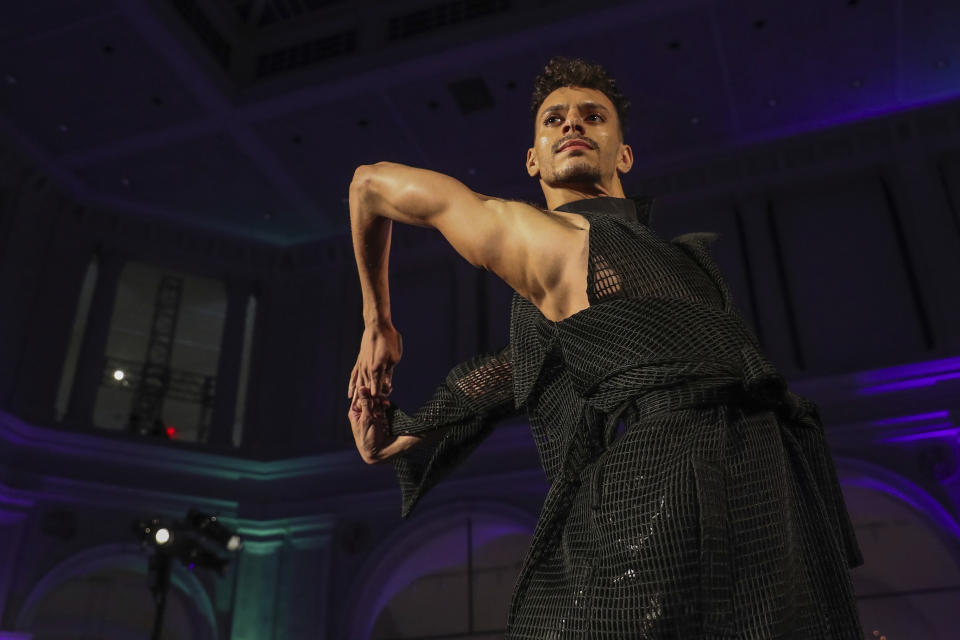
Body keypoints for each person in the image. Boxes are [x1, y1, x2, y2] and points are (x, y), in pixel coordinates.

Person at [347, 57, 865, 638]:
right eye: (554, 120)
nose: (573, 125)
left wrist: (402, 438)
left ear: (623, 154)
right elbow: (369, 184)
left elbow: (512, 373)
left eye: (593, 117)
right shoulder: (536, 236)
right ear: (533, 158)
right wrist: (377, 322)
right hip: (660, 474)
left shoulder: (683, 260)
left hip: (768, 472)